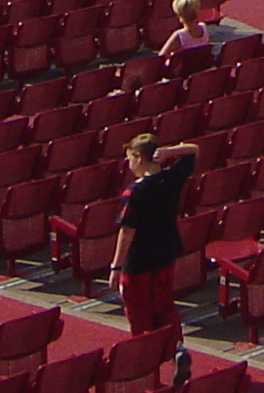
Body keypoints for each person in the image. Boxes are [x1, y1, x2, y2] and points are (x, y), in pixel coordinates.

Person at [111, 133, 198, 382]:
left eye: (130, 158)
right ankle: (176, 348)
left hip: (138, 262)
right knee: (163, 305)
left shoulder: (135, 191)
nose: (128, 164)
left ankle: (146, 368)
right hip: (165, 253)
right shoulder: (171, 178)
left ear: (139, 158)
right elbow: (194, 150)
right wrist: (170, 152)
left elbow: (127, 231)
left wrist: (116, 266)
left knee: (138, 314)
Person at [160, 0, 210, 69]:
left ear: (179, 15)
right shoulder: (203, 28)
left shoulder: (179, 36)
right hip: (198, 70)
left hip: (182, 73)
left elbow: (160, 57)